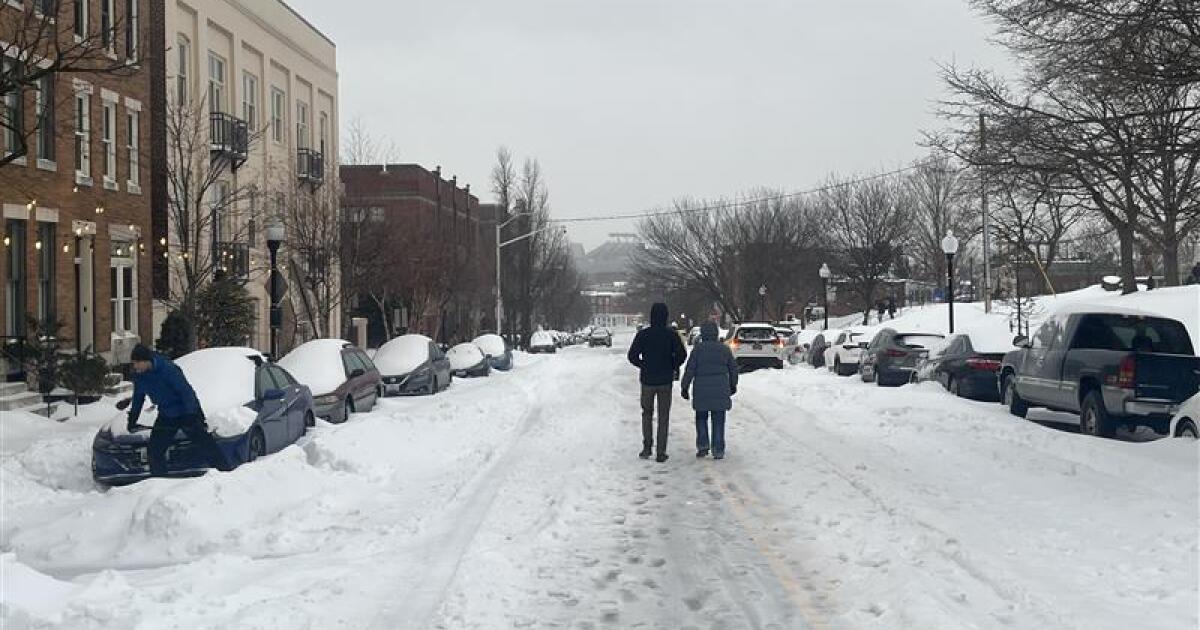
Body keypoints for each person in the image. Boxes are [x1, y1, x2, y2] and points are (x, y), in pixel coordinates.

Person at [127, 344, 229, 476]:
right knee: (155, 450)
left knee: (206, 445)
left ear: (146, 360)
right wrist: (133, 418)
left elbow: (186, 392)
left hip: (186, 411)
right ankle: (159, 483)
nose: (135, 367)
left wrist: (191, 414)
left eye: (137, 363)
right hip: (167, 414)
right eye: (133, 363)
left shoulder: (167, 369)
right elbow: (138, 398)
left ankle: (225, 474)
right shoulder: (140, 377)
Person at [627, 303, 687, 462]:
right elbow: (682, 355)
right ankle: (661, 452)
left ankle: (647, 448)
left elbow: (632, 356)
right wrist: (672, 365)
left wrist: (643, 365)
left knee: (646, 414)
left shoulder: (643, 335)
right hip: (665, 380)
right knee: (663, 416)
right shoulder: (671, 335)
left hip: (647, 380)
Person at [680, 322, 738, 460]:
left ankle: (703, 446)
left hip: (701, 390)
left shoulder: (698, 350)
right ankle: (718, 449)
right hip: (720, 389)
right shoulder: (724, 349)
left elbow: (690, 370)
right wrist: (733, 384)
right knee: (718, 420)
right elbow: (733, 368)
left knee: (701, 418)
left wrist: (685, 386)